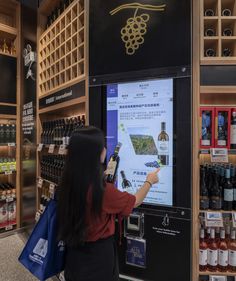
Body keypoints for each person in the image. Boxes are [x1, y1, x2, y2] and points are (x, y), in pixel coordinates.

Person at [57, 126, 159, 281]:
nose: (105, 149)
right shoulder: (103, 192)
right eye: (102, 146)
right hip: (98, 259)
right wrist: (149, 181)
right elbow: (135, 201)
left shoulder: (66, 183)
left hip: (74, 255)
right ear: (94, 154)